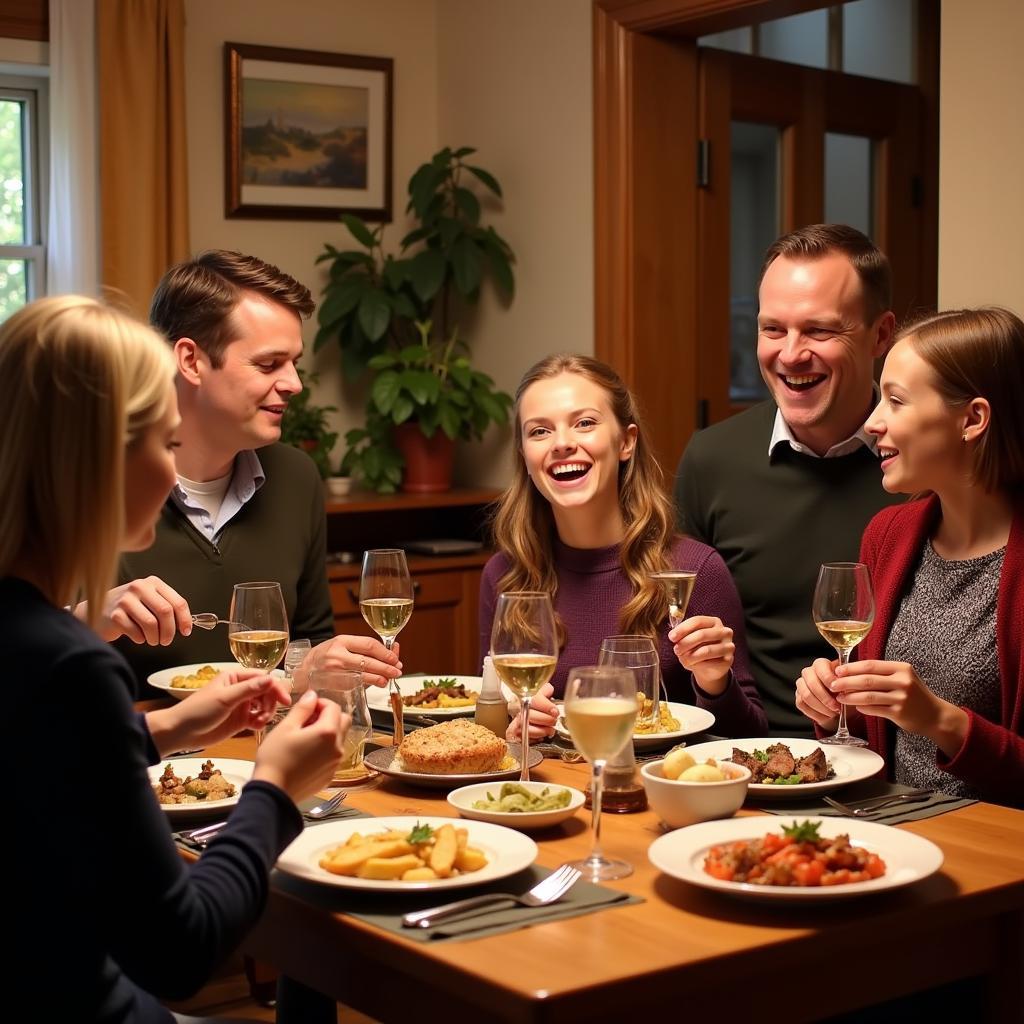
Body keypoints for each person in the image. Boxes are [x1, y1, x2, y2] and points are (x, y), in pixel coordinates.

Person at [2, 296, 346, 1022]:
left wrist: (168, 731)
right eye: (163, 444)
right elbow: (178, 951)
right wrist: (276, 787)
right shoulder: (70, 663)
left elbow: (32, 763)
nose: (171, 471)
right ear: (97, 459)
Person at [78, 251, 400, 695]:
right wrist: (88, 618)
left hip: (258, 749)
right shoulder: (83, 481)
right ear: (190, 361)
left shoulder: (296, 477)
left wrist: (321, 665)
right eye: (268, 364)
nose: (294, 384)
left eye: (294, 363)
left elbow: (309, 639)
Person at [675, 224, 902, 736]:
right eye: (772, 329)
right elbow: (678, 647)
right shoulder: (711, 459)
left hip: (893, 771)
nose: (792, 354)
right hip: (741, 758)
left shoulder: (924, 467)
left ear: (881, 334)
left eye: (820, 331)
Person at [796, 308, 1024, 807]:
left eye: (895, 401)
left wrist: (942, 721)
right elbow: (877, 741)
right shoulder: (889, 534)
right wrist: (835, 707)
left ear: (973, 419)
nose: (873, 422)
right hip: (890, 828)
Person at [479, 354, 766, 739]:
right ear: (524, 457)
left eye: (584, 423)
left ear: (626, 442)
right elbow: (488, 731)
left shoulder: (695, 570)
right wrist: (516, 731)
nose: (562, 443)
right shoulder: (503, 576)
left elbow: (749, 740)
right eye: (539, 431)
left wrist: (714, 680)